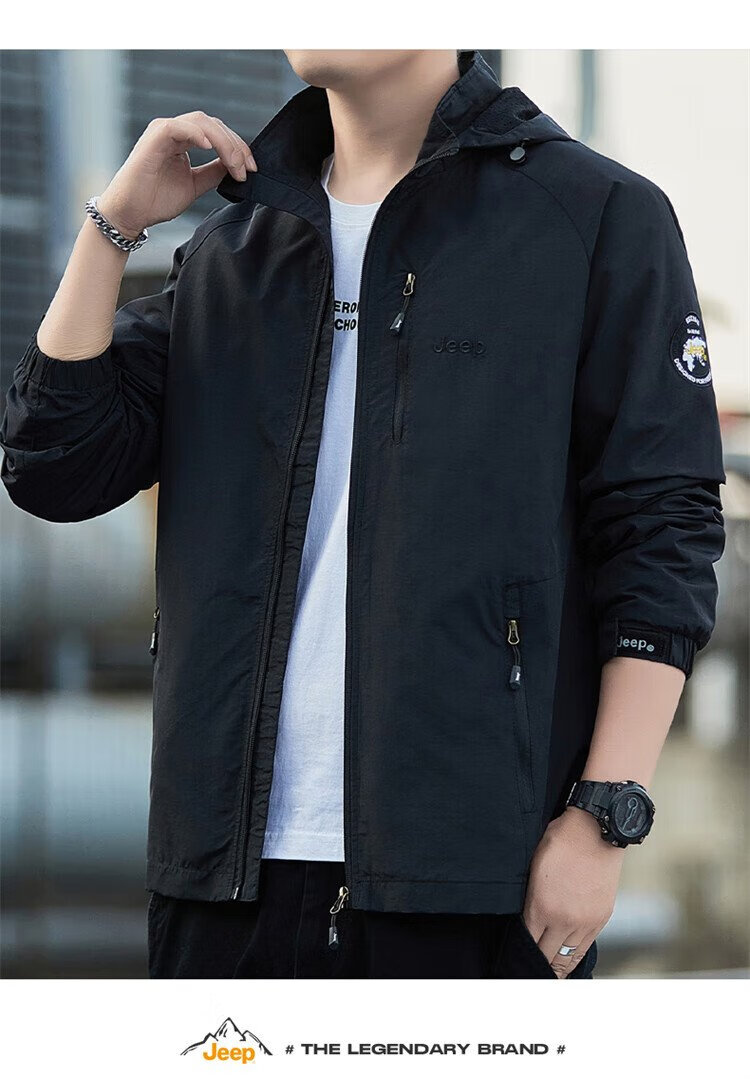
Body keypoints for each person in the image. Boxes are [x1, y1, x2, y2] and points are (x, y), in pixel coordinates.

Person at [0, 49, 726, 979]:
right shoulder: (234, 249)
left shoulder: (592, 217)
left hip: (475, 882)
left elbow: (661, 531)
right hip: (221, 884)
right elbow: (52, 466)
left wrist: (603, 818)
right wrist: (112, 227)